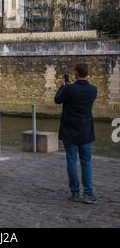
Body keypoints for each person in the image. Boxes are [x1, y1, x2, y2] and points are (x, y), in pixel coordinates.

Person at [54, 63, 97, 204]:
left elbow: (57, 100)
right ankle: (88, 193)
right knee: (86, 162)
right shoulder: (93, 90)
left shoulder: (69, 89)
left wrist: (63, 86)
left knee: (71, 161)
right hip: (85, 132)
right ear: (87, 74)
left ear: (76, 74)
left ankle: (75, 193)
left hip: (70, 131)